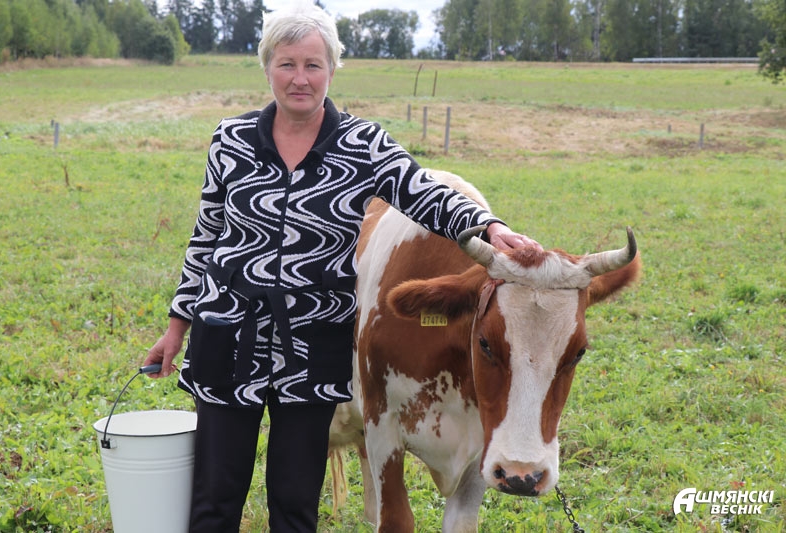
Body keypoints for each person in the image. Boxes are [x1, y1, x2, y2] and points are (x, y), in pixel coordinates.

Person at [142, 2, 541, 531]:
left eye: (313, 64)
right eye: (287, 64)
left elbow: (425, 193)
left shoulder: (362, 145)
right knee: (215, 498)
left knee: (294, 504)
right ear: (267, 68)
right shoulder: (230, 140)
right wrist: (177, 326)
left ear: (332, 68)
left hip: (312, 344)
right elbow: (206, 237)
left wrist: (486, 226)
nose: (300, 78)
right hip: (228, 336)